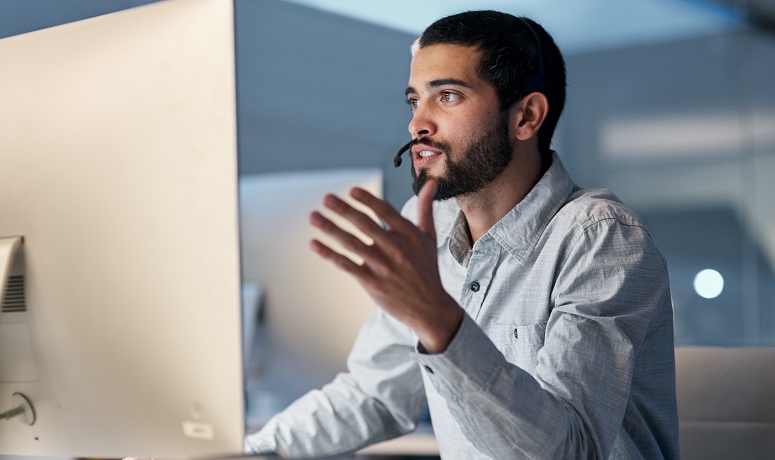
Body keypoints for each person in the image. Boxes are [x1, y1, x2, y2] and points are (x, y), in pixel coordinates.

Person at [245, 10, 679, 459]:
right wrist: (251, 451)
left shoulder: (600, 238)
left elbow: (570, 450)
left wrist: (439, 323)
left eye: (447, 96)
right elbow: (376, 395)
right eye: (414, 101)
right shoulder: (426, 225)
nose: (417, 124)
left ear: (526, 117)